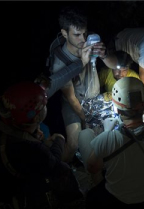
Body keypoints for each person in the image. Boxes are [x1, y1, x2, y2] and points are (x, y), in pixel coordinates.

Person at [0, 82, 83, 209]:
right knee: (64, 172)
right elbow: (54, 165)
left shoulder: (0, 121)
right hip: (0, 206)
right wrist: (59, 140)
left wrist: (33, 133)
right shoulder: (28, 149)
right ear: (36, 117)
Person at [77, 77, 144, 209]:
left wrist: (105, 132)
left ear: (117, 108)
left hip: (114, 201)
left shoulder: (108, 139)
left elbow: (92, 167)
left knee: (85, 134)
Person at [46, 6, 117, 163]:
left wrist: (104, 55)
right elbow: (71, 98)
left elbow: (114, 65)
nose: (83, 39)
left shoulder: (91, 40)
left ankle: (97, 170)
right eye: (77, 35)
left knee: (100, 136)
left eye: (85, 33)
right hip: (74, 102)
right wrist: (87, 119)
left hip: (94, 96)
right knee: (73, 142)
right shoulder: (60, 62)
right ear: (65, 34)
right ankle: (61, 171)